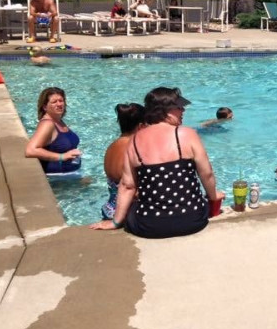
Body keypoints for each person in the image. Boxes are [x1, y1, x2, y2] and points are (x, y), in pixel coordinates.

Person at [89, 87, 224, 238]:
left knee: (134, 207)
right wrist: (213, 197)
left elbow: (127, 185)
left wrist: (115, 222)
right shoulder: (187, 134)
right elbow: (206, 173)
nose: (183, 111)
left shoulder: (134, 141)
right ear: (166, 111)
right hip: (193, 219)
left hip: (149, 225)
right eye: (179, 107)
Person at [101, 103, 144, 221]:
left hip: (109, 209)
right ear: (141, 126)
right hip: (125, 213)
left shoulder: (112, 147)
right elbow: (132, 190)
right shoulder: (132, 150)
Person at [25, 87, 82, 175]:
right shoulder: (47, 124)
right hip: (57, 179)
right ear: (45, 107)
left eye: (61, 100)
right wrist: (62, 156)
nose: (59, 104)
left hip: (70, 174)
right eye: (54, 102)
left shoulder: (58, 121)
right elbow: (30, 150)